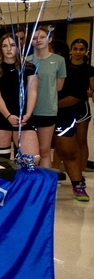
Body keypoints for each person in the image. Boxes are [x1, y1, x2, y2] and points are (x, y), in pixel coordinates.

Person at [0, 32, 38, 162]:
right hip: (0, 116)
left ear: (18, 47)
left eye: (12, 45)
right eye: (5, 46)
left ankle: (23, 177)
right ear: (1, 49)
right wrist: (8, 116)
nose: (9, 49)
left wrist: (28, 114)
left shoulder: (29, 67)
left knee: (31, 160)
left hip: (23, 117)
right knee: (1, 160)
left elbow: (32, 92)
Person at [51, 39, 90, 200]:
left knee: (68, 152)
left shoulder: (73, 72)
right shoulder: (37, 70)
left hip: (63, 117)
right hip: (40, 117)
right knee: (39, 152)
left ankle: (78, 185)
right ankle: (42, 185)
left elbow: (76, 96)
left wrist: (52, 105)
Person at [25, 25, 66, 168]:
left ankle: (45, 181)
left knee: (44, 150)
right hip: (28, 111)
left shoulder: (59, 61)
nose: (38, 40)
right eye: (35, 38)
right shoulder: (25, 61)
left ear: (50, 39)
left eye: (42, 37)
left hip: (47, 110)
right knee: (28, 152)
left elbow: (59, 86)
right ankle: (29, 180)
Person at [68, 38, 94, 179]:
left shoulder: (89, 69)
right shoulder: (64, 65)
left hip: (81, 108)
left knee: (81, 141)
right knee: (62, 140)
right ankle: (57, 170)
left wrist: (81, 93)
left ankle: (81, 171)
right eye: (75, 49)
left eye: (81, 49)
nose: (78, 52)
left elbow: (92, 91)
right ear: (71, 50)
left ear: (86, 51)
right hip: (64, 107)